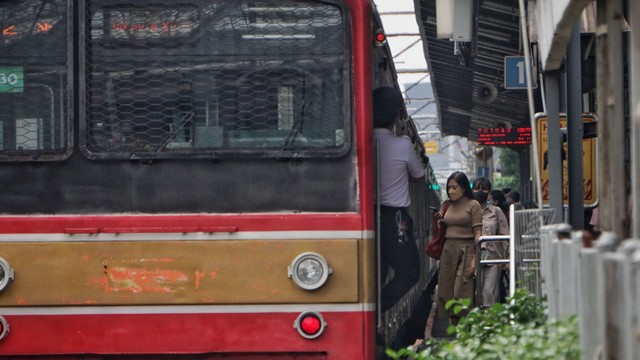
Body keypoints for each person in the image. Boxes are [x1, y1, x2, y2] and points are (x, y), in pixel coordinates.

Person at [373, 86, 426, 312]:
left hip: (367, 217)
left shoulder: (360, 143)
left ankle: (369, 314)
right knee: (409, 273)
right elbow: (419, 176)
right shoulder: (402, 144)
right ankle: (375, 310)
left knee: (376, 273)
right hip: (395, 220)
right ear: (397, 116)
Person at [434, 171, 482, 325]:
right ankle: (455, 328)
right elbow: (439, 230)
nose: (450, 191)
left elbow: (478, 233)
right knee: (447, 292)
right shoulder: (446, 205)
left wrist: (476, 257)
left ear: (463, 187)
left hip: (466, 250)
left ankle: (466, 327)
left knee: (461, 291)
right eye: (449, 187)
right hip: (448, 250)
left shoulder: (473, 205)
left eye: (454, 187)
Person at [472, 177, 509, 308]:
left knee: (489, 294)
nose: (479, 191)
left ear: (489, 192)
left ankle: (489, 324)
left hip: (493, 259)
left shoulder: (496, 212)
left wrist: (507, 259)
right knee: (472, 296)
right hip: (471, 260)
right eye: (476, 188)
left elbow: (505, 236)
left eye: (483, 189)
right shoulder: (468, 211)